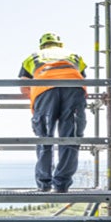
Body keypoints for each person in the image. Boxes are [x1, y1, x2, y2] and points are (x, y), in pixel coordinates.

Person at [19, 32, 89, 192]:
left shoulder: (33, 57)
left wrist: (36, 101)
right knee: (70, 138)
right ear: (60, 44)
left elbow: (23, 85)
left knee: (45, 137)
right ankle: (62, 185)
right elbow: (84, 78)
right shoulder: (74, 56)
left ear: (42, 45)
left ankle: (44, 185)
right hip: (74, 91)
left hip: (45, 92)